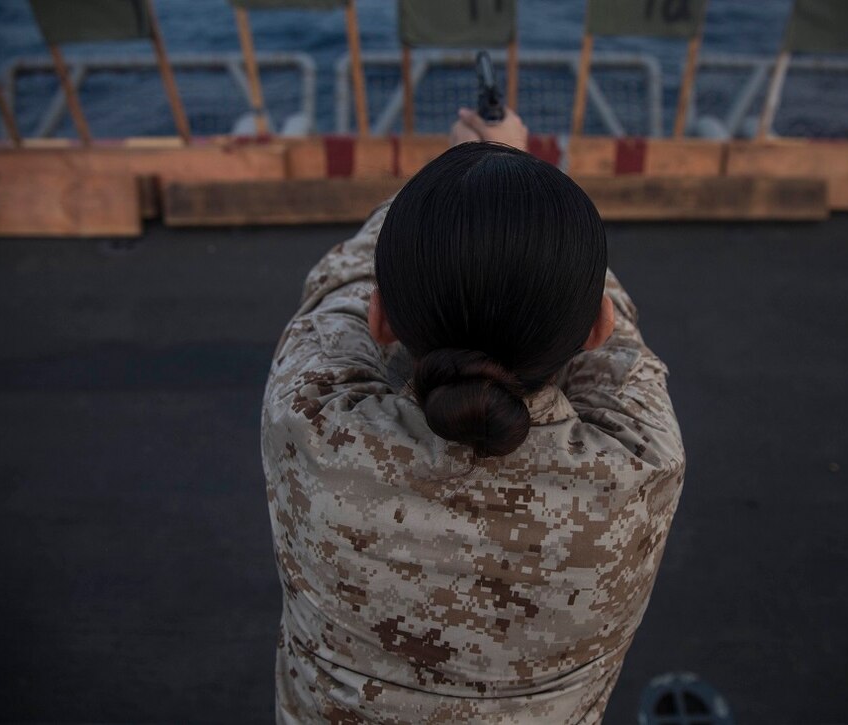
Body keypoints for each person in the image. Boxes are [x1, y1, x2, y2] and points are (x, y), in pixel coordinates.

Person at [260, 107, 685, 724]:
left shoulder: (307, 423)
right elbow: (612, 340)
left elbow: (340, 295)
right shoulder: (644, 461)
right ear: (596, 327)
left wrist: (447, 190)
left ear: (383, 320)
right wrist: (523, 176)